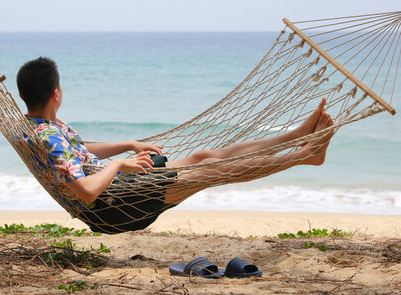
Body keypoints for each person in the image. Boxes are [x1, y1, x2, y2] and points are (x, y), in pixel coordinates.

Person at [17, 57, 335, 233]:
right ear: (56, 93)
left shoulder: (41, 127)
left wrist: (126, 145)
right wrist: (118, 165)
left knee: (202, 156)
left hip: (124, 186)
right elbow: (85, 191)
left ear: (24, 97)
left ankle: (295, 136)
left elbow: (81, 154)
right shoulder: (50, 139)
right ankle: (305, 156)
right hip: (116, 205)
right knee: (216, 171)